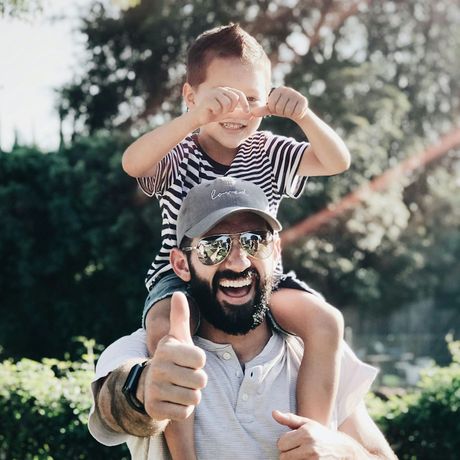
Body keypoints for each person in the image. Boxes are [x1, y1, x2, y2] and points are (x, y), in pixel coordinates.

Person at [122, 23, 350, 458]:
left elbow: (336, 161)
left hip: (260, 276)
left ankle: (310, 439)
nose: (236, 108)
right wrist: (195, 119)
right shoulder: (179, 152)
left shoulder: (270, 150)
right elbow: (133, 163)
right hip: (183, 278)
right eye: (221, 96)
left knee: (326, 322)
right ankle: (183, 452)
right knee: (165, 332)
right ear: (191, 96)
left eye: (250, 98)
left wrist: (303, 116)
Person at [88, 177, 396, 460]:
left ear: (275, 252)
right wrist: (142, 390)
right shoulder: (149, 351)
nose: (238, 261)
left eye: (254, 241)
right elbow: (111, 408)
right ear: (181, 264)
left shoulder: (313, 353)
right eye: (213, 246)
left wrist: (344, 451)